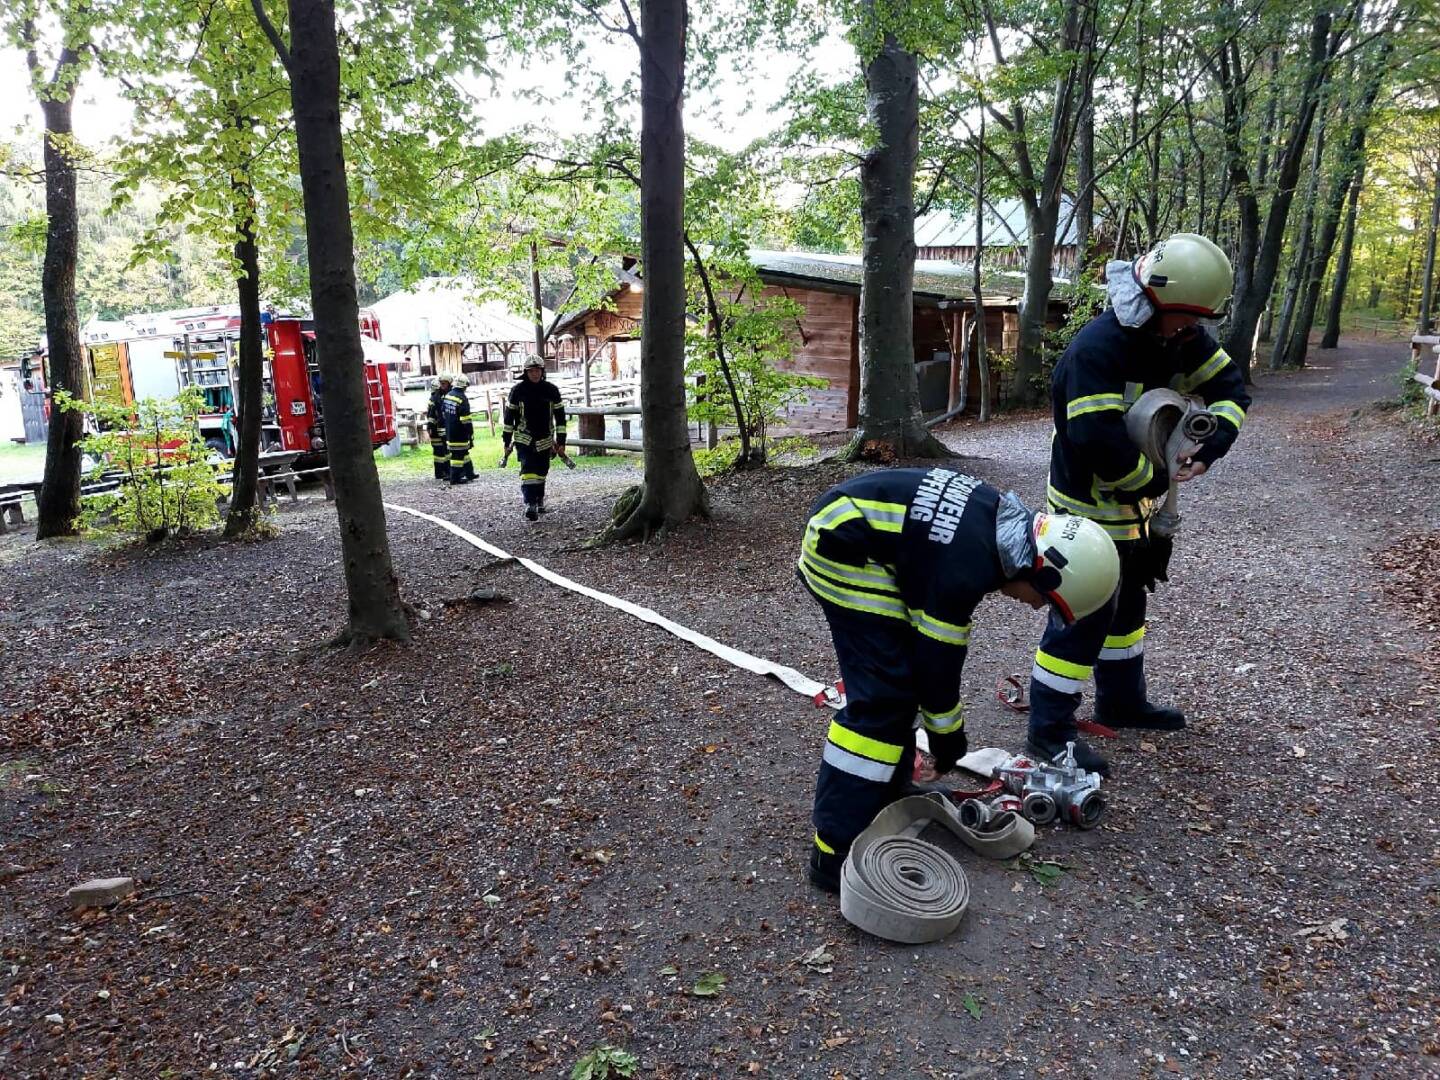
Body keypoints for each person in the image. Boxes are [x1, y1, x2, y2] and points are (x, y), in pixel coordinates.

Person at [800, 467, 1121, 893]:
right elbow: (938, 666)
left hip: (860, 533)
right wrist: (949, 742)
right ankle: (832, 848)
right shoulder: (966, 567)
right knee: (882, 699)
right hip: (841, 545)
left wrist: (946, 737)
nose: (1032, 607)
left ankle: (885, 789)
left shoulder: (997, 526)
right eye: (1044, 600)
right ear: (1044, 570)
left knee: (897, 680)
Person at [1028, 232, 1252, 777]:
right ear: (1155, 301)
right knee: (1080, 613)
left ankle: (1122, 702)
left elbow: (1231, 388)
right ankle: (1048, 732)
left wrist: (1210, 445)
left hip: (1135, 514)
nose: (1193, 331)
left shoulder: (1179, 338)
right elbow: (1098, 442)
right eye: (1185, 320)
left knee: (1127, 611)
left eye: (1197, 321)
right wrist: (1156, 482)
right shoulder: (1097, 351)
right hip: (1085, 512)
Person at [500, 355, 567, 521]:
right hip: (524, 438)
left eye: (537, 370)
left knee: (542, 471)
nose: (535, 374)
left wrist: (561, 441)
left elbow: (560, 418)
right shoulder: (517, 391)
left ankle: (539, 499)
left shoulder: (551, 390)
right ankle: (530, 503)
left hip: (545, 438)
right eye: (531, 371)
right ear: (526, 372)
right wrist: (506, 441)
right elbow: (509, 419)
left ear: (542, 371)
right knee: (528, 470)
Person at [440, 373, 476, 486]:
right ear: (464, 386)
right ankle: (454, 478)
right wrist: (470, 433)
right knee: (457, 455)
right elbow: (466, 420)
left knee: (464, 452)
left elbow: (443, 412)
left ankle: (470, 473)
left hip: (449, 430)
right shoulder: (462, 399)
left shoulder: (448, 395)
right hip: (459, 432)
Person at [426, 374, 453, 481]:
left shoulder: (434, 397)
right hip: (440, 429)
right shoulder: (437, 398)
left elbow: (430, 415)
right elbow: (432, 414)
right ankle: (446, 472)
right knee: (444, 452)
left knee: (438, 452)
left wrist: (430, 427)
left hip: (435, 429)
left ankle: (439, 473)